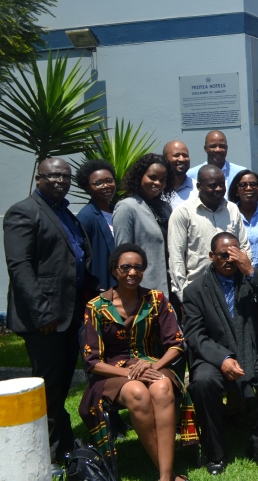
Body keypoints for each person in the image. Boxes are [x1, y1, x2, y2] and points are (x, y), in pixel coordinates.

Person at [4, 158, 98, 473]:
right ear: (39, 178)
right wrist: (42, 313)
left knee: (58, 385)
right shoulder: (23, 212)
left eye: (65, 176)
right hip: (44, 319)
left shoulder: (64, 212)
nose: (60, 180)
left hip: (68, 315)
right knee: (49, 385)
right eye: (53, 175)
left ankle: (64, 445)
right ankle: (52, 455)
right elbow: (20, 267)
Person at [79, 244, 195, 481]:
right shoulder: (96, 306)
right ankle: (170, 474)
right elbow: (92, 361)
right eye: (126, 267)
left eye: (138, 267)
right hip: (112, 372)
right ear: (114, 270)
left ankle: (164, 477)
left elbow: (176, 343)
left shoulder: (156, 299)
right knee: (137, 393)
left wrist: (153, 366)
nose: (132, 272)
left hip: (151, 363)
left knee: (162, 388)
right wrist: (130, 374)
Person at [183, 233, 258, 475]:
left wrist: (251, 271)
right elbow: (195, 336)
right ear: (212, 257)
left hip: (255, 348)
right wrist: (222, 359)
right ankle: (216, 452)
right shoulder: (195, 291)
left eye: (235, 254)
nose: (230, 259)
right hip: (216, 352)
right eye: (224, 255)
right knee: (202, 382)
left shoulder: (251, 279)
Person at [168, 164, 250, 301]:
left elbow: (244, 247)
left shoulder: (232, 209)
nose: (218, 189)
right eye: (212, 185)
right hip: (197, 292)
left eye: (221, 184)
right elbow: (176, 257)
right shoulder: (183, 212)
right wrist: (183, 296)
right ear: (199, 186)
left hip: (231, 289)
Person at [114, 154, 175, 295]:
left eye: (162, 180)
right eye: (152, 177)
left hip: (170, 285)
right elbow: (122, 253)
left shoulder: (166, 208)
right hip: (143, 287)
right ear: (140, 176)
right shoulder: (126, 207)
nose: (157, 183)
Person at [76, 159, 117, 290]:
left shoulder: (118, 210)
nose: (106, 186)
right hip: (102, 285)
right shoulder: (86, 216)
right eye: (98, 183)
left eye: (109, 180)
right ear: (87, 188)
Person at [228, 170, 258, 267]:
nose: (248, 188)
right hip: (237, 271)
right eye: (243, 185)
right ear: (236, 190)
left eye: (253, 184)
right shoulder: (228, 215)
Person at [185, 130, 248, 197]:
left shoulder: (240, 173)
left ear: (227, 148)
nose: (218, 150)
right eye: (213, 146)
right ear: (205, 148)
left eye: (222, 146)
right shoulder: (191, 175)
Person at [164, 140, 194, 209]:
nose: (182, 159)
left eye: (185, 155)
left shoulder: (198, 189)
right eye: (176, 155)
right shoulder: (158, 189)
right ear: (165, 158)